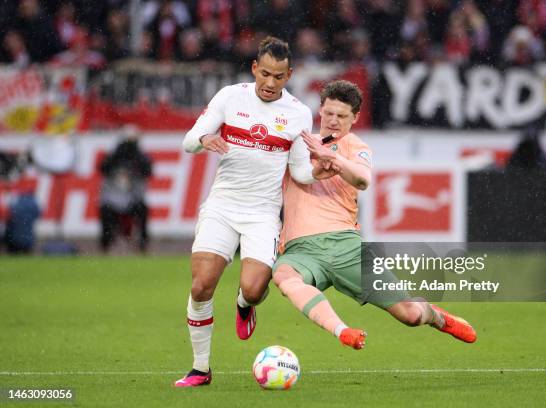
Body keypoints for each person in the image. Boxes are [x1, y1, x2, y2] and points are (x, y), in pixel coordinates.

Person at [272, 80, 477, 350]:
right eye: (329, 113)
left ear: (355, 118)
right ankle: (342, 331)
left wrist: (331, 158)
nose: (333, 121)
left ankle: (438, 317)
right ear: (320, 110)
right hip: (301, 249)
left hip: (346, 246)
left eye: (342, 116)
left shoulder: (355, 147)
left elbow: (363, 179)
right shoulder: (298, 145)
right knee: (284, 276)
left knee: (411, 315)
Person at [176, 36, 333, 387]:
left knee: (254, 287)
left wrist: (318, 171)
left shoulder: (298, 114)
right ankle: (200, 368)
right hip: (222, 205)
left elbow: (299, 171)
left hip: (262, 213)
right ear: (254, 69)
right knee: (201, 285)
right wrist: (203, 140)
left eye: (278, 77)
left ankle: (245, 304)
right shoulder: (231, 97)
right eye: (264, 74)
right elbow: (189, 140)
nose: (270, 83)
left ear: (289, 75)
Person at [99, 128, 152, 253]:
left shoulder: (139, 158)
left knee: (142, 210)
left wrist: (135, 154)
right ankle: (105, 245)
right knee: (105, 212)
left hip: (133, 198)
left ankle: (142, 245)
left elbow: (147, 171)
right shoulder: (114, 157)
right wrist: (118, 154)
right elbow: (103, 168)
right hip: (113, 198)